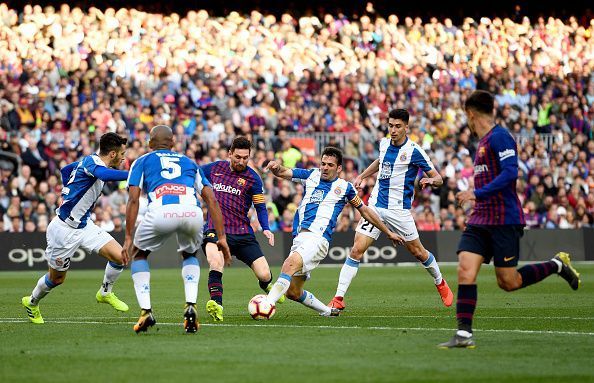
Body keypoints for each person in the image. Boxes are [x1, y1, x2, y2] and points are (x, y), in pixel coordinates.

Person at [439, 90, 581, 349]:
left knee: (509, 281)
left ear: (471, 114)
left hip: (504, 219)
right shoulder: (482, 142)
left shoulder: (500, 137)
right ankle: (463, 333)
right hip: (480, 219)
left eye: (466, 116)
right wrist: (477, 198)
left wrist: (475, 193)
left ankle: (557, 265)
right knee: (465, 268)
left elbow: (510, 173)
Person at [327, 109, 453, 311]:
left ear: (406, 127)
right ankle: (338, 298)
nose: (393, 130)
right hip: (375, 206)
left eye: (397, 126)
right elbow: (380, 161)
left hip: (399, 211)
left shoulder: (414, 150)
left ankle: (440, 281)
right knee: (357, 249)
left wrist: (430, 180)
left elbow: (439, 178)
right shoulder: (384, 143)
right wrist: (363, 176)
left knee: (418, 252)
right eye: (390, 125)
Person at [264, 147, 404, 316]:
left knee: (288, 265)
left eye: (330, 165)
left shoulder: (345, 188)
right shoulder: (311, 175)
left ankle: (266, 305)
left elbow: (365, 211)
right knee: (293, 292)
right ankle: (328, 311)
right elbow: (284, 172)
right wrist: (274, 167)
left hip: (318, 238)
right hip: (300, 238)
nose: (325, 167)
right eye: (323, 163)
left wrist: (388, 232)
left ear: (339, 168)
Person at [123, 125, 230, 334]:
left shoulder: (142, 161)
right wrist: (222, 237)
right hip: (192, 212)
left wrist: (128, 237)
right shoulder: (189, 162)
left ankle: (146, 311)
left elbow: (133, 199)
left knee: (138, 254)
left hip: (161, 211)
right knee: (189, 254)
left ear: (149, 143)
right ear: (173, 143)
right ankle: (191, 305)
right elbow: (212, 201)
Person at [21, 132, 130, 324]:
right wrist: (134, 174)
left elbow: (65, 170)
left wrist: (71, 190)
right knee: (56, 279)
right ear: (112, 154)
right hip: (63, 230)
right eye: (122, 153)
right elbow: (104, 175)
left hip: (84, 225)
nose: (124, 157)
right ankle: (32, 302)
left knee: (120, 256)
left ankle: (105, 292)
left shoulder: (88, 164)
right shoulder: (93, 164)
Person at [200, 136, 283, 322]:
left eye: (245, 158)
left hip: (242, 232)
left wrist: (266, 228)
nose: (241, 161)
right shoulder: (214, 168)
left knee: (264, 273)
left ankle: (267, 285)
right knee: (216, 262)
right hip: (216, 230)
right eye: (238, 157)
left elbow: (260, 206)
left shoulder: (253, 178)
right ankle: (217, 305)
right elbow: (193, 173)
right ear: (230, 154)